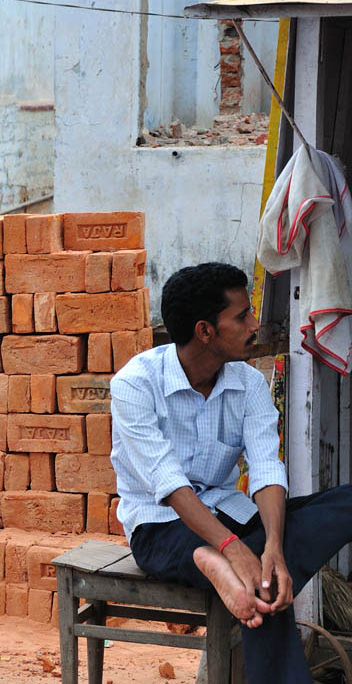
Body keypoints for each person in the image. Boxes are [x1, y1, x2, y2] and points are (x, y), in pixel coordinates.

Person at [110, 262, 352, 683]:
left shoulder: (248, 383)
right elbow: (169, 485)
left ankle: (224, 567)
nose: (254, 324)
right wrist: (237, 550)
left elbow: (265, 468)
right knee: (264, 583)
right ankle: (217, 560)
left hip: (237, 520)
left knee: (333, 510)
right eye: (242, 316)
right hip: (161, 528)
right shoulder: (135, 384)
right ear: (205, 331)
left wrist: (273, 547)